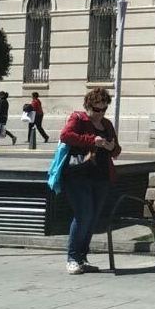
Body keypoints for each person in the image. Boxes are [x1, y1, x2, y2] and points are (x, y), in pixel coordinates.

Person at [59, 87, 120, 275]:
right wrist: (92, 140)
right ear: (88, 105)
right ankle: (72, 258)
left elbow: (116, 151)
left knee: (92, 218)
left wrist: (111, 147)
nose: (99, 114)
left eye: (103, 109)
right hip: (78, 175)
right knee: (83, 214)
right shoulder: (78, 119)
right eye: (96, 109)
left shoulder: (107, 125)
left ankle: (82, 258)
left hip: (101, 176)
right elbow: (65, 136)